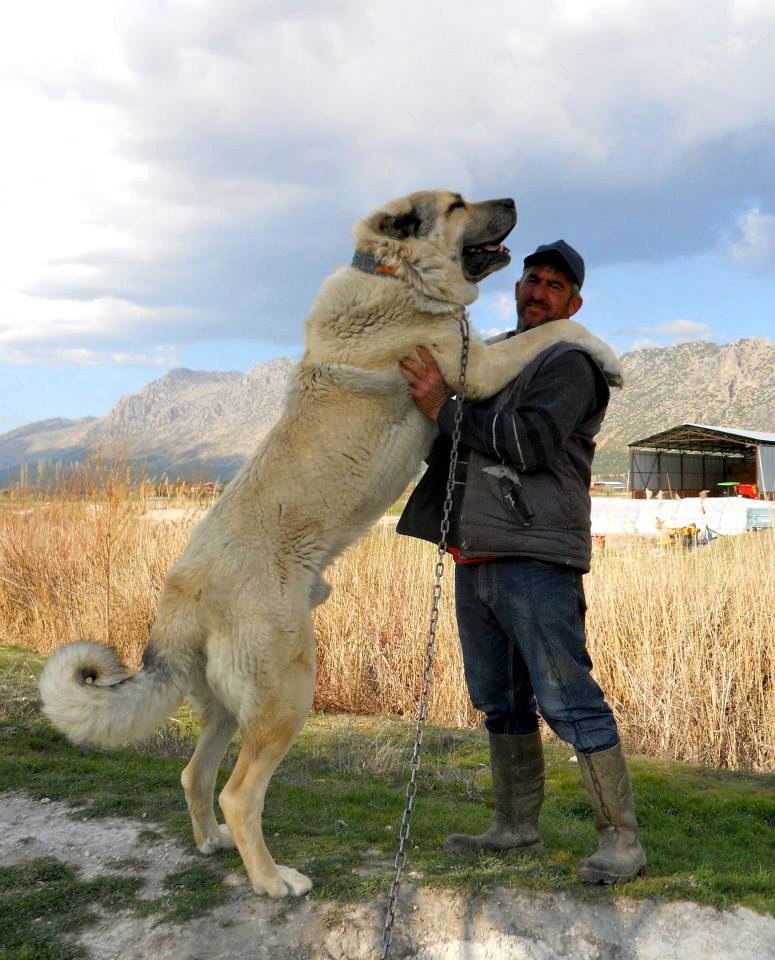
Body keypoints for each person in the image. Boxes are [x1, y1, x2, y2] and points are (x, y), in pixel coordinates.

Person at [396, 241, 646, 884]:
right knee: (499, 699)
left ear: (575, 303)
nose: (537, 290)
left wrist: (445, 410)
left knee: (568, 699)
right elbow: (452, 439)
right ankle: (514, 827)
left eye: (554, 285)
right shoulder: (499, 357)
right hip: (475, 551)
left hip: (536, 557)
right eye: (531, 279)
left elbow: (530, 442)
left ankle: (622, 842)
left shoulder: (570, 363)